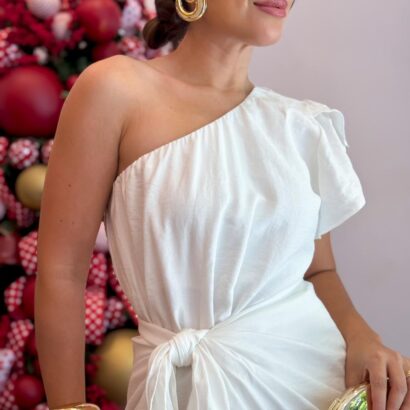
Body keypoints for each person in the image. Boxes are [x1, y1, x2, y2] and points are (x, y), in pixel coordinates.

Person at [35, 0, 410, 409]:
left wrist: (363, 337)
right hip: (179, 389)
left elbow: (319, 270)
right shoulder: (115, 90)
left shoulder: (300, 125)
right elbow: (62, 272)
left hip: (317, 383)